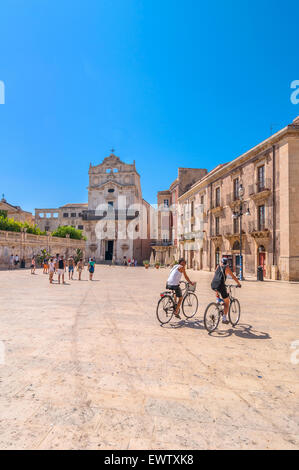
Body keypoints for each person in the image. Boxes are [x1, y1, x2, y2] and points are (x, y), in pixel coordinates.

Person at [211, 258, 241, 324]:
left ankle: (218, 300)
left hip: (213, 284)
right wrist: (238, 284)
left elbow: (216, 276)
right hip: (221, 285)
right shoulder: (227, 268)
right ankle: (224, 318)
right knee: (227, 301)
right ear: (226, 263)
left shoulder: (218, 266)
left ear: (221, 262)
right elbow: (233, 276)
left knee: (218, 290)